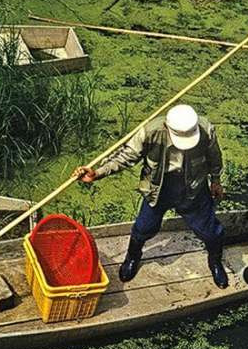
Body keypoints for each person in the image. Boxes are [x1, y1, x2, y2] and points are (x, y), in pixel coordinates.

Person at [75, 104, 228, 288]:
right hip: (158, 188)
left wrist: (216, 180)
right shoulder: (149, 132)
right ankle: (132, 257)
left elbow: (214, 157)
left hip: (194, 188)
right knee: (143, 227)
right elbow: (126, 156)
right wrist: (98, 173)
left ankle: (215, 262)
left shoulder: (206, 130)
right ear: (168, 128)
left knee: (210, 231)